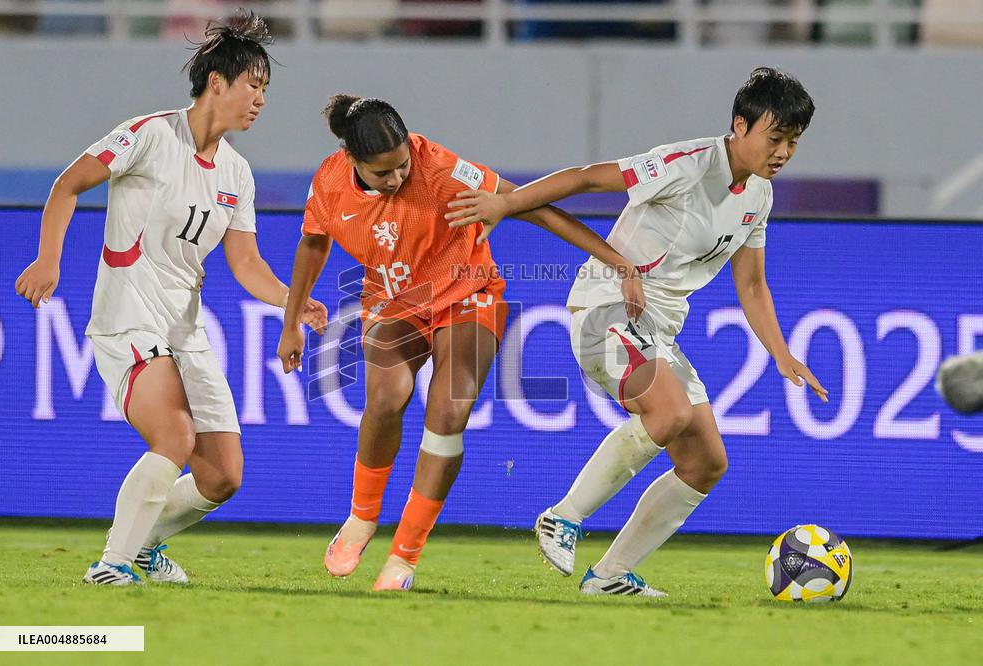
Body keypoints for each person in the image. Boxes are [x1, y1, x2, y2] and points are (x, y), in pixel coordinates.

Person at [446, 67, 829, 597]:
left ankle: (608, 576)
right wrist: (506, 204)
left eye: (794, 141)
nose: (784, 152)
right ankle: (563, 516)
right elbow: (585, 177)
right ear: (740, 125)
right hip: (607, 308)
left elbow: (752, 283)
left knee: (705, 463)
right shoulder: (685, 164)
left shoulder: (758, 196)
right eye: (776, 137)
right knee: (669, 414)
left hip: (657, 331)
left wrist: (781, 354)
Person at [277, 94, 644, 591]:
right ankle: (362, 516)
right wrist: (292, 319)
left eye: (403, 165)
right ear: (352, 161)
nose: (397, 178)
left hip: (467, 294)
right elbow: (313, 241)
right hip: (394, 300)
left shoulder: (442, 169)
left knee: (449, 410)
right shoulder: (329, 180)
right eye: (383, 173)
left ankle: (404, 556)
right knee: (385, 398)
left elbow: (531, 206)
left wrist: (617, 262)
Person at [15, 9, 325, 586]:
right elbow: (68, 184)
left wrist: (293, 301)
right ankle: (110, 565)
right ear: (217, 82)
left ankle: (143, 547)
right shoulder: (150, 134)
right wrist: (48, 258)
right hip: (128, 316)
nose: (260, 99)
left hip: (185, 329)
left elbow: (246, 263)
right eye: (253, 85)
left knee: (223, 476)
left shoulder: (237, 173)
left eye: (266, 89)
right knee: (175, 436)